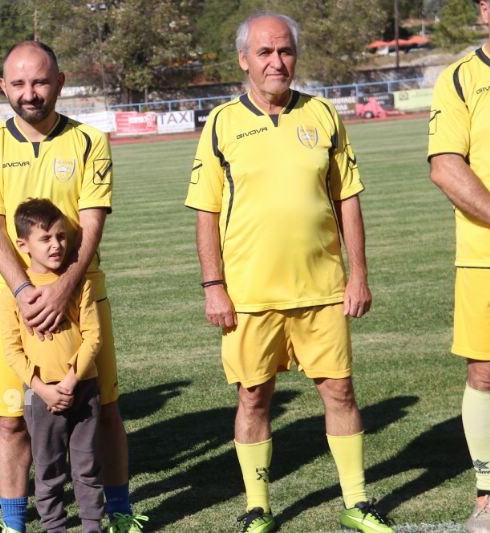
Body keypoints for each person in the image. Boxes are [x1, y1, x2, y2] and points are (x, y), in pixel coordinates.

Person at [185, 13, 394, 533]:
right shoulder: (222, 124)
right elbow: (206, 211)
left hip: (322, 290)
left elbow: (347, 198)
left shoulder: (323, 115)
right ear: (244, 60)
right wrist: (213, 287)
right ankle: (258, 507)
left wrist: (358, 274)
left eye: (285, 51)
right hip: (249, 295)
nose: (276, 62)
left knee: (340, 392)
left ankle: (356, 502)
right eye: (264, 52)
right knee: (253, 397)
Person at [0, 41, 144, 533]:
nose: (30, 93)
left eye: (40, 81)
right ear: (3, 86)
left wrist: (66, 286)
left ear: (60, 82)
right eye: (18, 83)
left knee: (104, 410)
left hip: (83, 296)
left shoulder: (89, 141)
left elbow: (92, 223)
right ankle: (14, 523)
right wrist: (25, 293)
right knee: (12, 418)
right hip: (12, 302)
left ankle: (119, 514)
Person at [429, 1, 490, 531]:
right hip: (486, 258)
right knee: (488, 371)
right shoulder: (460, 79)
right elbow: (446, 167)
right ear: (484, 10)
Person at [1, 198, 104, 533]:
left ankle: (92, 525)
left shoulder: (79, 285)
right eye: (45, 239)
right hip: (40, 396)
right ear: (23, 245)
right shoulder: (14, 294)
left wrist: (71, 382)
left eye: (60, 237)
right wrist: (42, 388)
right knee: (48, 470)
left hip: (83, 389)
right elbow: (12, 350)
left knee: (87, 467)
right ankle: (54, 527)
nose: (56, 245)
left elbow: (93, 337)